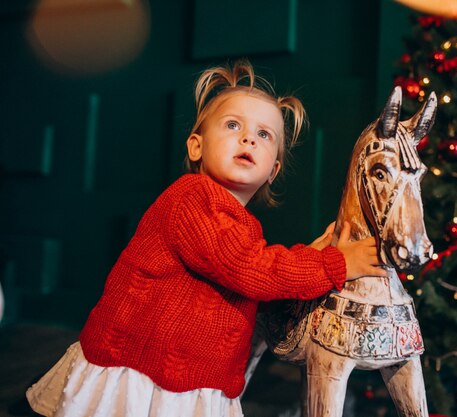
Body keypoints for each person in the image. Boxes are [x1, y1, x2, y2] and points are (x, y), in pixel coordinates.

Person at [25, 60, 387, 417]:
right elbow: (251, 269)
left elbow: (251, 268)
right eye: (233, 125)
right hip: (141, 369)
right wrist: (338, 263)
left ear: (273, 170)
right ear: (196, 147)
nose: (248, 138)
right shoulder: (193, 197)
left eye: (264, 135)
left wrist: (311, 255)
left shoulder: (236, 223)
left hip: (190, 377)